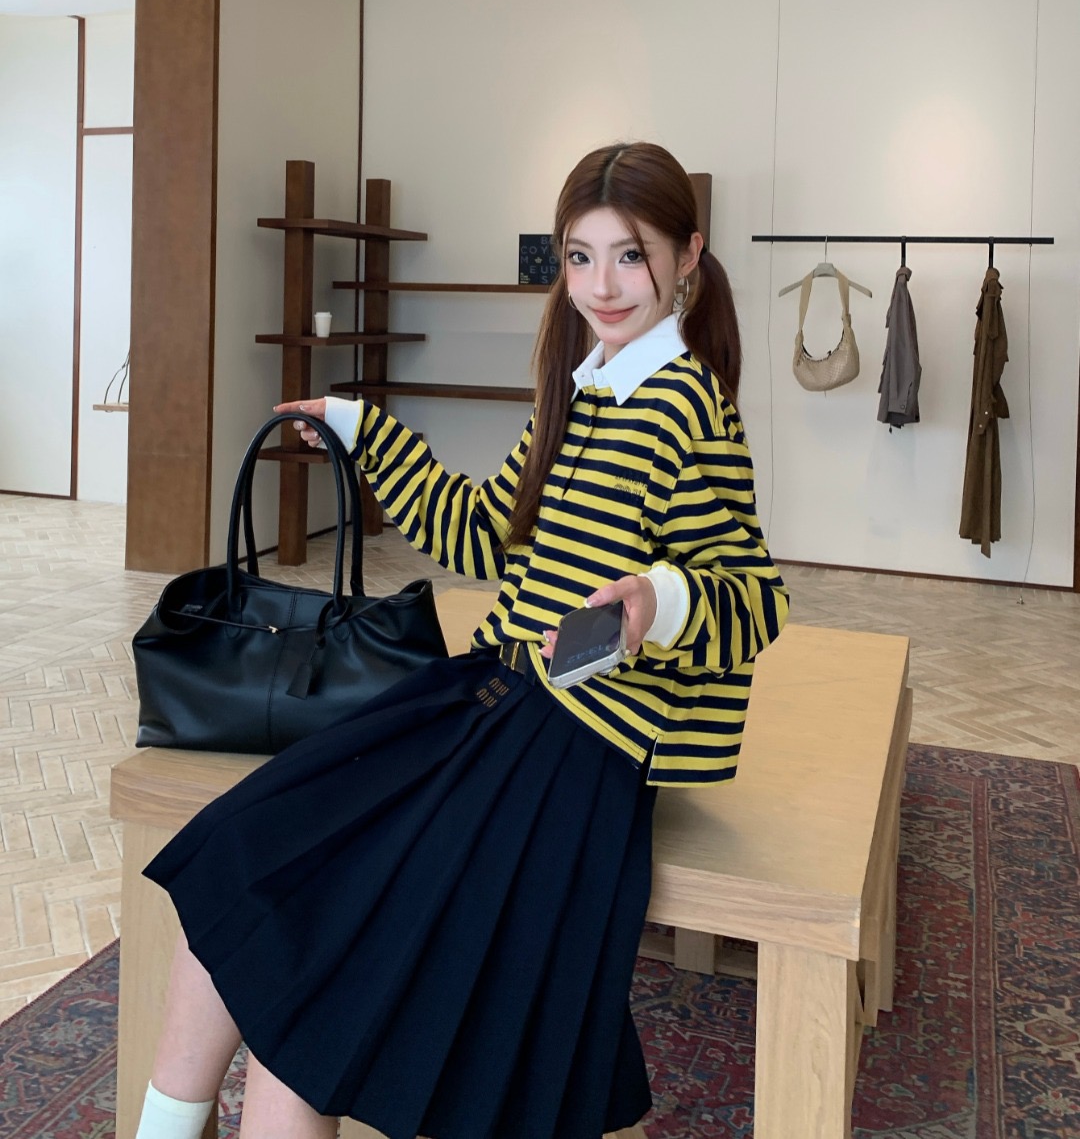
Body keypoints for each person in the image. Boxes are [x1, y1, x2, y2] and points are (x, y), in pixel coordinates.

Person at [134, 141, 789, 1139]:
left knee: (304, 989)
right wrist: (366, 432)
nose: (602, 286)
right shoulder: (581, 389)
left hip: (571, 748)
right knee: (239, 859)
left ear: (688, 255)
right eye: (580, 257)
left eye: (631, 256)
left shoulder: (690, 409)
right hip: (492, 698)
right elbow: (483, 531)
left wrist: (658, 600)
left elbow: (755, 598)